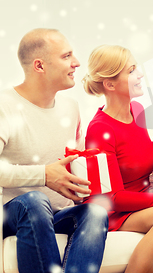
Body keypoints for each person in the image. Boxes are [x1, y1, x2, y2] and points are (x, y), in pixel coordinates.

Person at [0, 28, 109, 273]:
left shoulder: (71, 107)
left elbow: (74, 164)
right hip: (15, 214)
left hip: (57, 214)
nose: (77, 63)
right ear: (40, 66)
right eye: (66, 56)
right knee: (35, 201)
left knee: (95, 212)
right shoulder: (4, 106)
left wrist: (80, 187)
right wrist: (45, 175)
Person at [83, 45, 153, 273]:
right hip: (113, 212)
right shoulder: (99, 129)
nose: (140, 74)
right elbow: (112, 198)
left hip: (141, 204)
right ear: (110, 84)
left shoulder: (136, 110)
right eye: (131, 70)